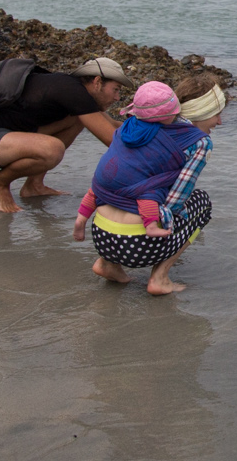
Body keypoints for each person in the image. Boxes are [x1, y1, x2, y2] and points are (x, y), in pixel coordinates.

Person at [73, 74, 227, 295]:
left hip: (100, 235)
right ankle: (159, 277)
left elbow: (120, 171)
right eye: (217, 114)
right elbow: (175, 202)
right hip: (140, 246)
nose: (219, 122)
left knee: (131, 187)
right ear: (201, 112)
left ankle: (107, 264)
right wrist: (159, 217)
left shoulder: (135, 124)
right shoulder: (200, 142)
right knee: (201, 203)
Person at [0, 56, 135, 214]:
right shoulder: (73, 93)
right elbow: (113, 140)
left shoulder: (71, 92)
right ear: (97, 82)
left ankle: (34, 185)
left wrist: (156, 129)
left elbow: (112, 125)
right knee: (52, 149)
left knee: (77, 120)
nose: (117, 98)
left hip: (5, 137)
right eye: (116, 89)